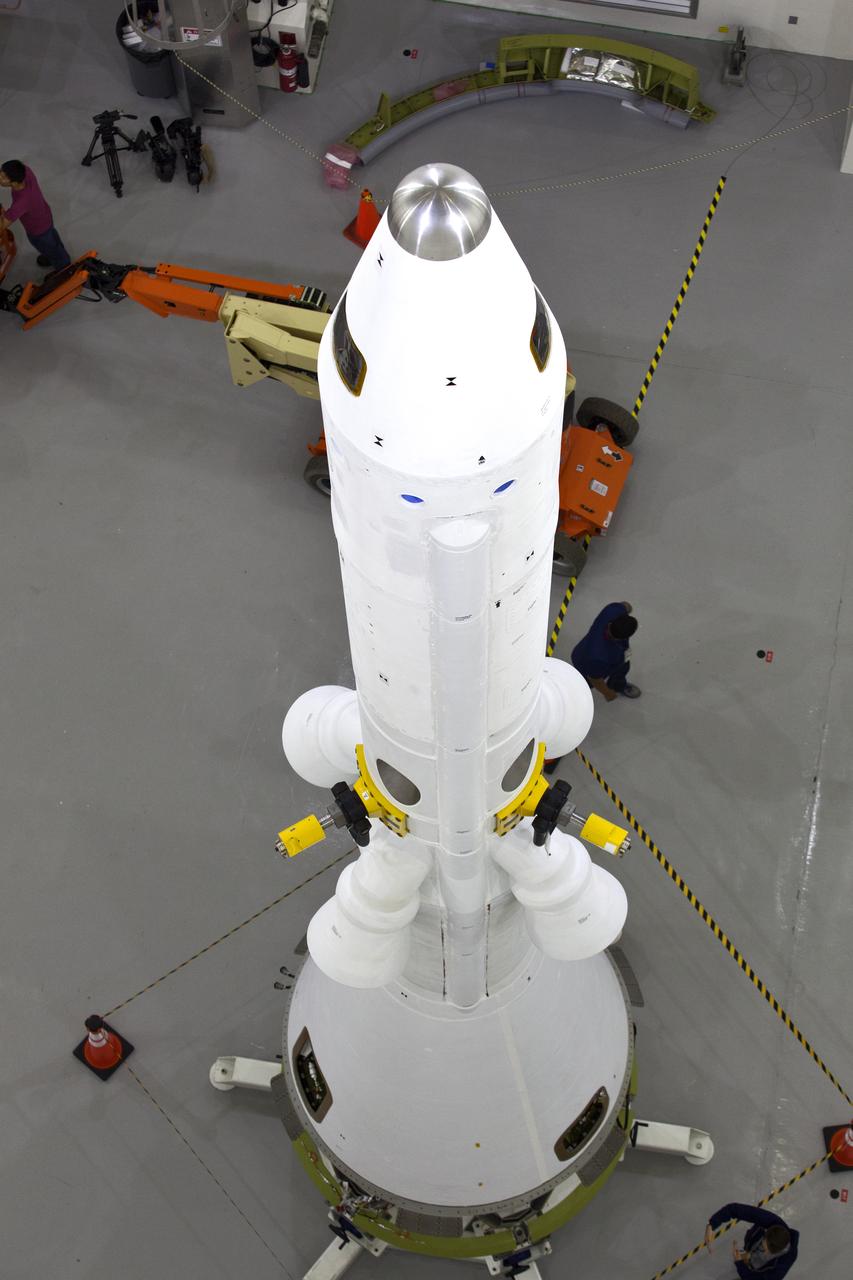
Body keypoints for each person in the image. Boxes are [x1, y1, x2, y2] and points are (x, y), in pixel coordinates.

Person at [0, 159, 71, 272]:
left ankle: (65, 270)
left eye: (4, 178)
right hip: (45, 215)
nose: (0, 178)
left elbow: (2, 225)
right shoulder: (26, 172)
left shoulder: (22, 202)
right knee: (53, 242)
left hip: (38, 231)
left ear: (14, 182)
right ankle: (54, 256)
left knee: (50, 247)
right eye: (1, 172)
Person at [704, 1203, 799, 1279]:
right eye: (763, 1242)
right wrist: (712, 1224)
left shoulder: (784, 1264)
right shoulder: (773, 1223)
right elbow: (736, 1209)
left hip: (757, 1271)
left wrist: (740, 1265)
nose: (762, 1248)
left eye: (765, 1250)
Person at [570, 601, 640, 700]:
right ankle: (574, 697)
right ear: (620, 638)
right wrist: (608, 693)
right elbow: (595, 679)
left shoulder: (612, 611)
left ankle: (618, 685)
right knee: (585, 683)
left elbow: (626, 606)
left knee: (622, 669)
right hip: (585, 663)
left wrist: (626, 608)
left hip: (616, 660)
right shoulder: (599, 657)